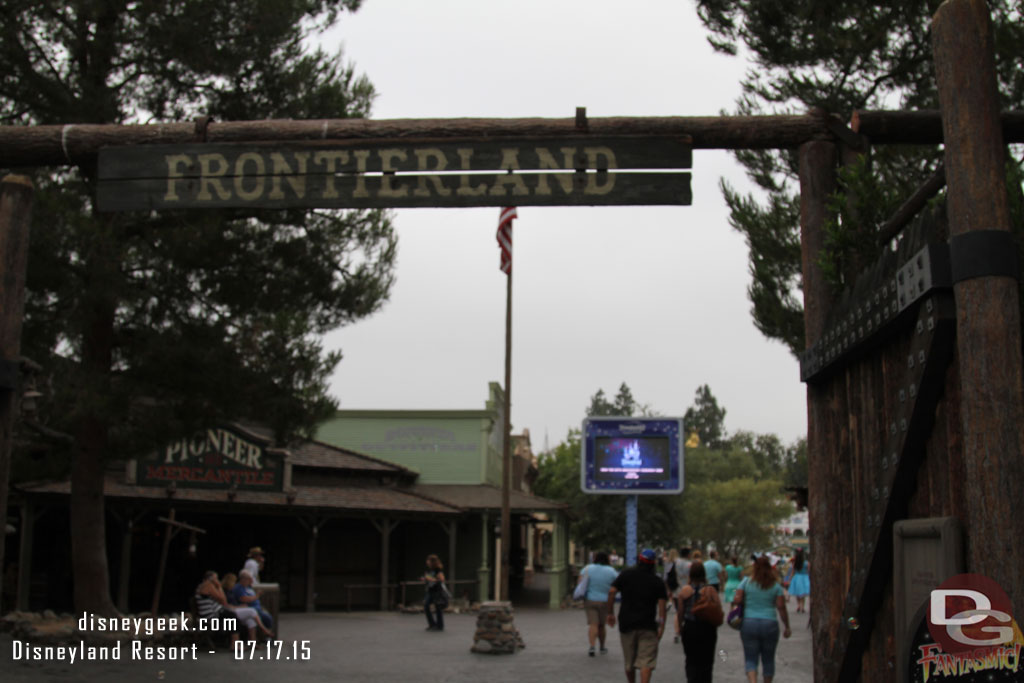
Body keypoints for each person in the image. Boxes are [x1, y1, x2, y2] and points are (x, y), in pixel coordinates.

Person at [606, 549, 668, 683]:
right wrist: (662, 626)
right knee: (646, 662)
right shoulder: (657, 581)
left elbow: (612, 591)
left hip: (627, 624)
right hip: (648, 625)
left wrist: (610, 613)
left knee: (629, 663)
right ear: (653, 564)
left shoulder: (626, 575)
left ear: (639, 561)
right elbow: (662, 607)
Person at [733, 555, 791, 683]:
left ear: (755, 567)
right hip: (770, 624)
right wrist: (787, 626)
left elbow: (737, 599)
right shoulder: (775, 585)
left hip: (749, 623)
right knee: (768, 659)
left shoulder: (746, 582)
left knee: (750, 658)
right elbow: (781, 607)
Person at [195, 570, 273, 643]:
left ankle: (252, 643)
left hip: (220, 611)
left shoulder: (206, 587)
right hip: (213, 615)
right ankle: (263, 630)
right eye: (216, 579)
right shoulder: (208, 586)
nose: (217, 581)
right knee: (247, 613)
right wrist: (219, 587)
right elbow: (223, 600)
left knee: (250, 619)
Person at [677, 561, 718, 683]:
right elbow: (717, 609)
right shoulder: (710, 590)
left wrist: (680, 627)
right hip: (707, 628)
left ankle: (692, 679)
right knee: (707, 661)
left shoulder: (685, 590)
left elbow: (680, 612)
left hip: (690, 628)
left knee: (691, 660)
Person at [580, 551, 619, 656]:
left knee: (593, 624)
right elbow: (617, 584)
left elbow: (581, 582)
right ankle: (602, 647)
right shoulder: (611, 571)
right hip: (605, 600)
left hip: (590, 599)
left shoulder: (587, 568)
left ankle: (592, 646)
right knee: (602, 625)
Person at [422, 554, 448, 631]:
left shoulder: (438, 570)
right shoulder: (430, 570)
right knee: (426, 606)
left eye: (428, 560)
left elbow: (441, 579)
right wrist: (425, 579)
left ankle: (440, 625)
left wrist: (431, 579)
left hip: (436, 591)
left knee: (438, 607)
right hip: (430, 590)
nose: (427, 562)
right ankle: (432, 624)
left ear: (432, 562)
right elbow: (429, 578)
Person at [786, 549, 810, 613]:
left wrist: (789, 579)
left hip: (796, 578)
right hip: (804, 578)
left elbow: (792, 572)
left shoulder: (795, 563)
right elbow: (808, 571)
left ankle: (798, 605)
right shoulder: (806, 563)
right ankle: (802, 607)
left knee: (797, 593)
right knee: (802, 594)